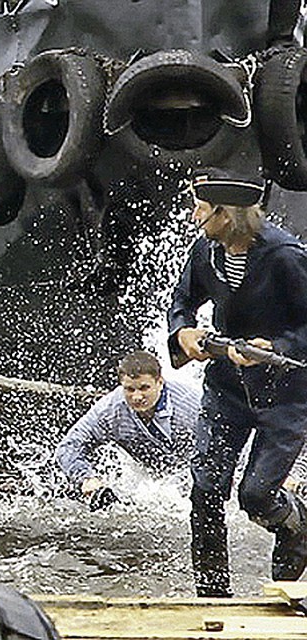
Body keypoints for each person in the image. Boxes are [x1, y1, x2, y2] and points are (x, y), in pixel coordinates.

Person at [169, 167, 307, 597]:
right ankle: (211, 595)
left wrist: (278, 344)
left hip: (284, 396)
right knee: (206, 490)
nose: (194, 217)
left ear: (227, 216)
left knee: (257, 496)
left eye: (202, 211)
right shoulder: (205, 250)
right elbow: (182, 300)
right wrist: (182, 331)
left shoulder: (285, 256)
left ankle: (297, 528)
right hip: (227, 387)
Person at [55, 350, 202, 511]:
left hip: (196, 472)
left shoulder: (191, 407)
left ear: (160, 382)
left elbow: (228, 442)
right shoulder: (110, 410)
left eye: (144, 388)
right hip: (158, 488)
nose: (137, 397)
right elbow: (68, 446)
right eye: (130, 389)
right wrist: (85, 478)